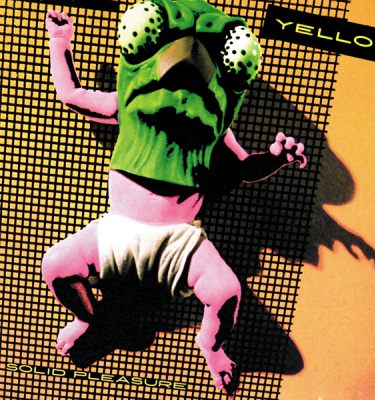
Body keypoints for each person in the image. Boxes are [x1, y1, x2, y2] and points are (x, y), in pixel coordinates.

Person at [42, 2, 306, 390]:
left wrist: (277, 158)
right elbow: (70, 94)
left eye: (237, 58)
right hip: (116, 233)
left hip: (180, 243)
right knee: (56, 266)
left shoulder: (215, 128)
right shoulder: (127, 104)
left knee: (226, 292)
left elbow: (245, 168)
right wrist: (59, 40)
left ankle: (211, 347)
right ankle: (87, 318)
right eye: (143, 31)